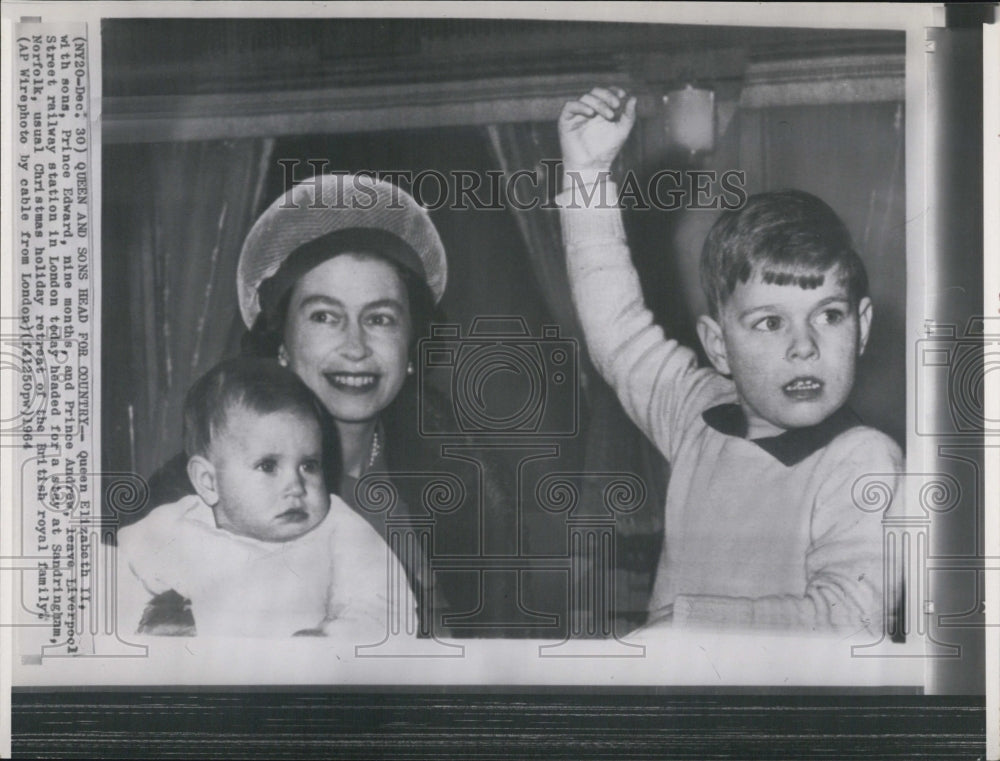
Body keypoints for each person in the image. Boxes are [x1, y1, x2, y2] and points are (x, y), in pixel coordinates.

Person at [556, 87, 902, 633]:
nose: (804, 345)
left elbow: (850, 620)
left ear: (861, 327)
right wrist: (587, 173)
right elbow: (615, 330)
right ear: (718, 346)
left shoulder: (862, 458)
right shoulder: (698, 412)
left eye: (828, 315)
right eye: (770, 322)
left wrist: (684, 630)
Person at [145, 173, 503, 638]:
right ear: (281, 345)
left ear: (411, 347)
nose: (355, 347)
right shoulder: (190, 497)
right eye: (324, 317)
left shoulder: (467, 490)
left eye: (380, 318)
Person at [117, 357, 408, 638]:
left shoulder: (337, 529)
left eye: (309, 465)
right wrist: (145, 623)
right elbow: (112, 578)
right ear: (208, 482)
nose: (296, 485)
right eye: (268, 466)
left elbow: (387, 607)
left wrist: (330, 640)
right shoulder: (179, 526)